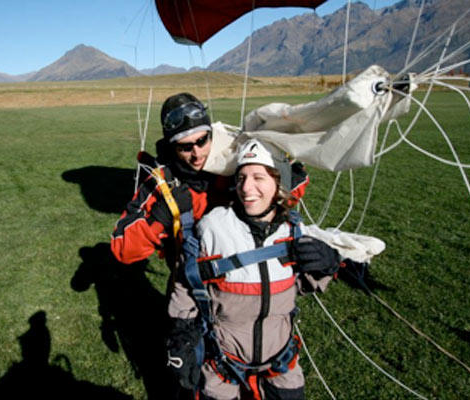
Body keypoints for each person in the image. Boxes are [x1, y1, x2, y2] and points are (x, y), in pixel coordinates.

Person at [165, 139, 340, 400]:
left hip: (281, 359)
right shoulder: (213, 228)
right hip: (222, 363)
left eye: (259, 177)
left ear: (278, 183)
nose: (247, 188)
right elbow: (186, 282)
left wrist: (327, 266)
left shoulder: (292, 229)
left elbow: (300, 285)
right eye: (242, 177)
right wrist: (181, 336)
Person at [111, 92, 230, 270]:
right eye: (186, 147)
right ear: (172, 148)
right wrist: (161, 215)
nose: (197, 154)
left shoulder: (235, 166)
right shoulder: (161, 183)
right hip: (189, 281)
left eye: (202, 141)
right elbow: (122, 248)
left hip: (242, 281)